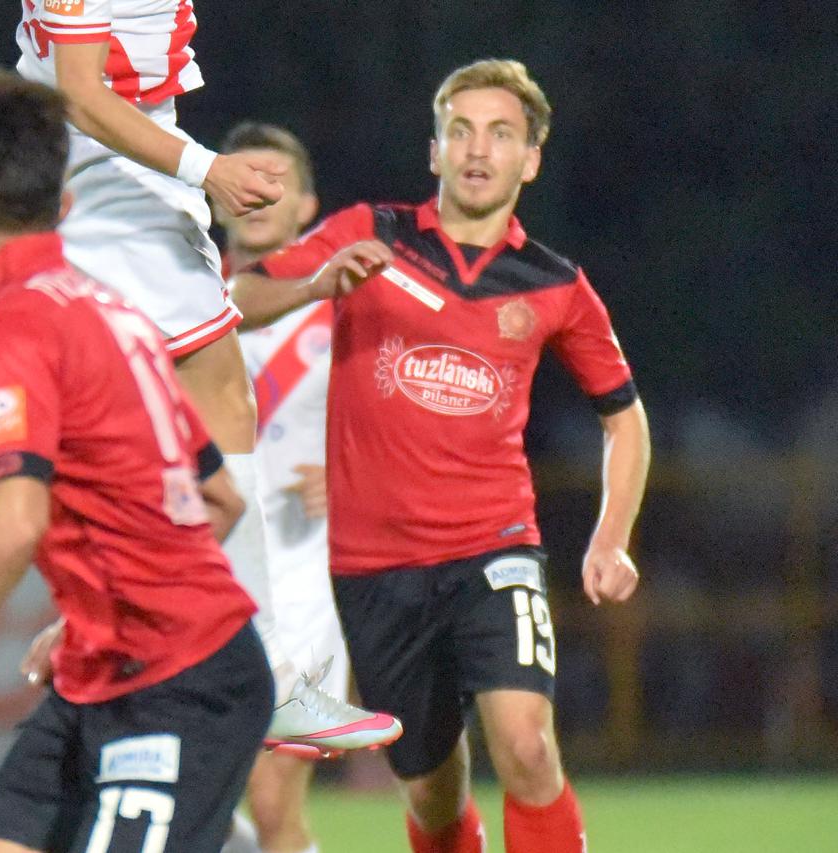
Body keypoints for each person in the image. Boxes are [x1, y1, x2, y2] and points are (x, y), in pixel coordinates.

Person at [0, 0, 401, 754]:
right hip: (107, 162)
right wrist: (209, 168)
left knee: (178, 412)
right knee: (204, 398)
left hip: (127, 151)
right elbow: (82, 91)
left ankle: (139, 639)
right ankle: (253, 674)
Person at [0, 68, 276, 852]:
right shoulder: (116, 314)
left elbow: (13, 521)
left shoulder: (9, 329)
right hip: (103, 670)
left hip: (181, 684)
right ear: (66, 206)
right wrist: (94, 614)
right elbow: (220, 495)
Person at [230, 59, 652, 853]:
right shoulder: (372, 233)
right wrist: (314, 285)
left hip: (495, 547)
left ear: (530, 158)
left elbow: (624, 418)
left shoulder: (555, 285)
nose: (477, 148)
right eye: (460, 130)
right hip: (375, 569)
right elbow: (241, 295)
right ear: (435, 150)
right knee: (431, 792)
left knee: (527, 744)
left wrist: (611, 536)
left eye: (500, 133)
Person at [212, 123, 340, 853]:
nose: (259, 195)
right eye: (247, 178)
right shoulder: (184, 300)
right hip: (205, 568)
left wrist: (352, 478)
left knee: (271, 798)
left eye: (276, 182)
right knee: (188, 782)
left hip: (306, 578)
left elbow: (402, 427)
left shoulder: (342, 305)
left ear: (308, 207)